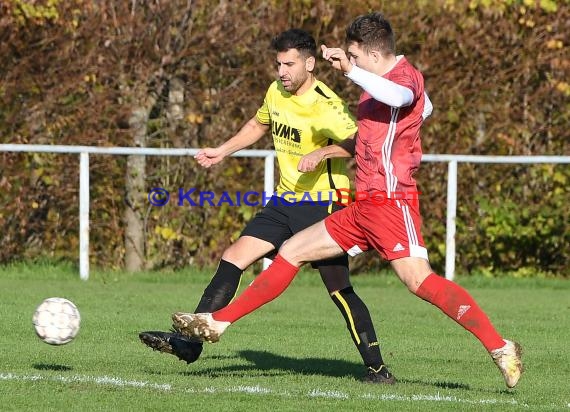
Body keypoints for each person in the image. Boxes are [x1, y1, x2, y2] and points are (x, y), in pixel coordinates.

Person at [171, 13, 523, 389]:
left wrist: (351, 73)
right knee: (291, 250)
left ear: (373, 53)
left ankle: (500, 348)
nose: (351, 61)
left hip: (391, 202)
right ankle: (218, 322)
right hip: (362, 206)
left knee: (420, 282)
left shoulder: (401, 79)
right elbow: (423, 106)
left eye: (355, 55)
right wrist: (413, 112)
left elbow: (404, 96)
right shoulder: (376, 82)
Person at [140, 28, 397, 384]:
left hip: (323, 203)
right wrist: (222, 151)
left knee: (338, 288)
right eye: (278, 64)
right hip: (283, 200)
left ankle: (377, 368)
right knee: (233, 258)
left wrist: (323, 151)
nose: (281, 71)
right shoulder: (276, 91)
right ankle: (189, 343)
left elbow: (363, 144)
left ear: (310, 63)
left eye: (289, 64)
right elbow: (258, 123)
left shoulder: (326, 103)